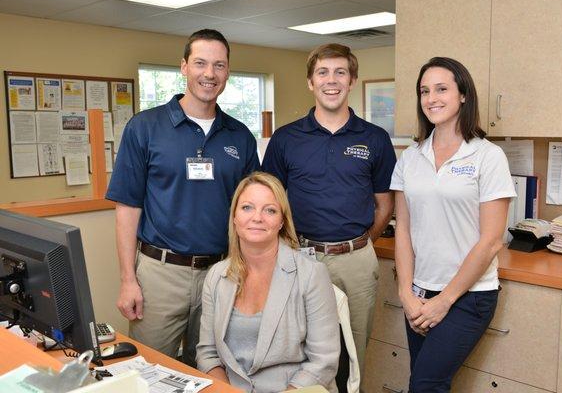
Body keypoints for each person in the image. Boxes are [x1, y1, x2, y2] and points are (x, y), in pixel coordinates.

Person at [106, 29, 260, 366]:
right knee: (148, 370)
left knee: (212, 369)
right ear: (184, 67)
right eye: (201, 63)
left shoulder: (241, 136)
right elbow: (127, 208)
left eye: (219, 65)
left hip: (222, 272)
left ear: (227, 72)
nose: (210, 74)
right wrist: (127, 280)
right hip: (160, 275)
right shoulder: (145, 128)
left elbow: (253, 213)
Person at [262, 43, 396, 374]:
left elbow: (385, 203)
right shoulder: (285, 139)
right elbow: (269, 203)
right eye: (322, 72)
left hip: (357, 261)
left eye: (340, 72)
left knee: (354, 352)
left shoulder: (375, 138)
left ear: (352, 81)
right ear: (311, 81)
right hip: (300, 258)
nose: (331, 80)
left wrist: (362, 243)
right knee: (297, 349)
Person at [390, 57, 516, 392]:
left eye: (441, 89)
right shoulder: (410, 157)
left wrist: (444, 300)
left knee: (426, 384)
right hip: (418, 292)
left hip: (467, 296)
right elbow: (403, 228)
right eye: (424, 91)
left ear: (463, 94)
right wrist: (406, 292)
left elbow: (491, 240)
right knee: (423, 380)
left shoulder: (487, 156)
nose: (431, 98)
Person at [196, 172, 340, 392]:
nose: (257, 217)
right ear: (234, 217)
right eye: (247, 208)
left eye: (270, 210)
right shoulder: (216, 276)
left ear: (282, 221)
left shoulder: (311, 275)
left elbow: (323, 362)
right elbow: (208, 354)